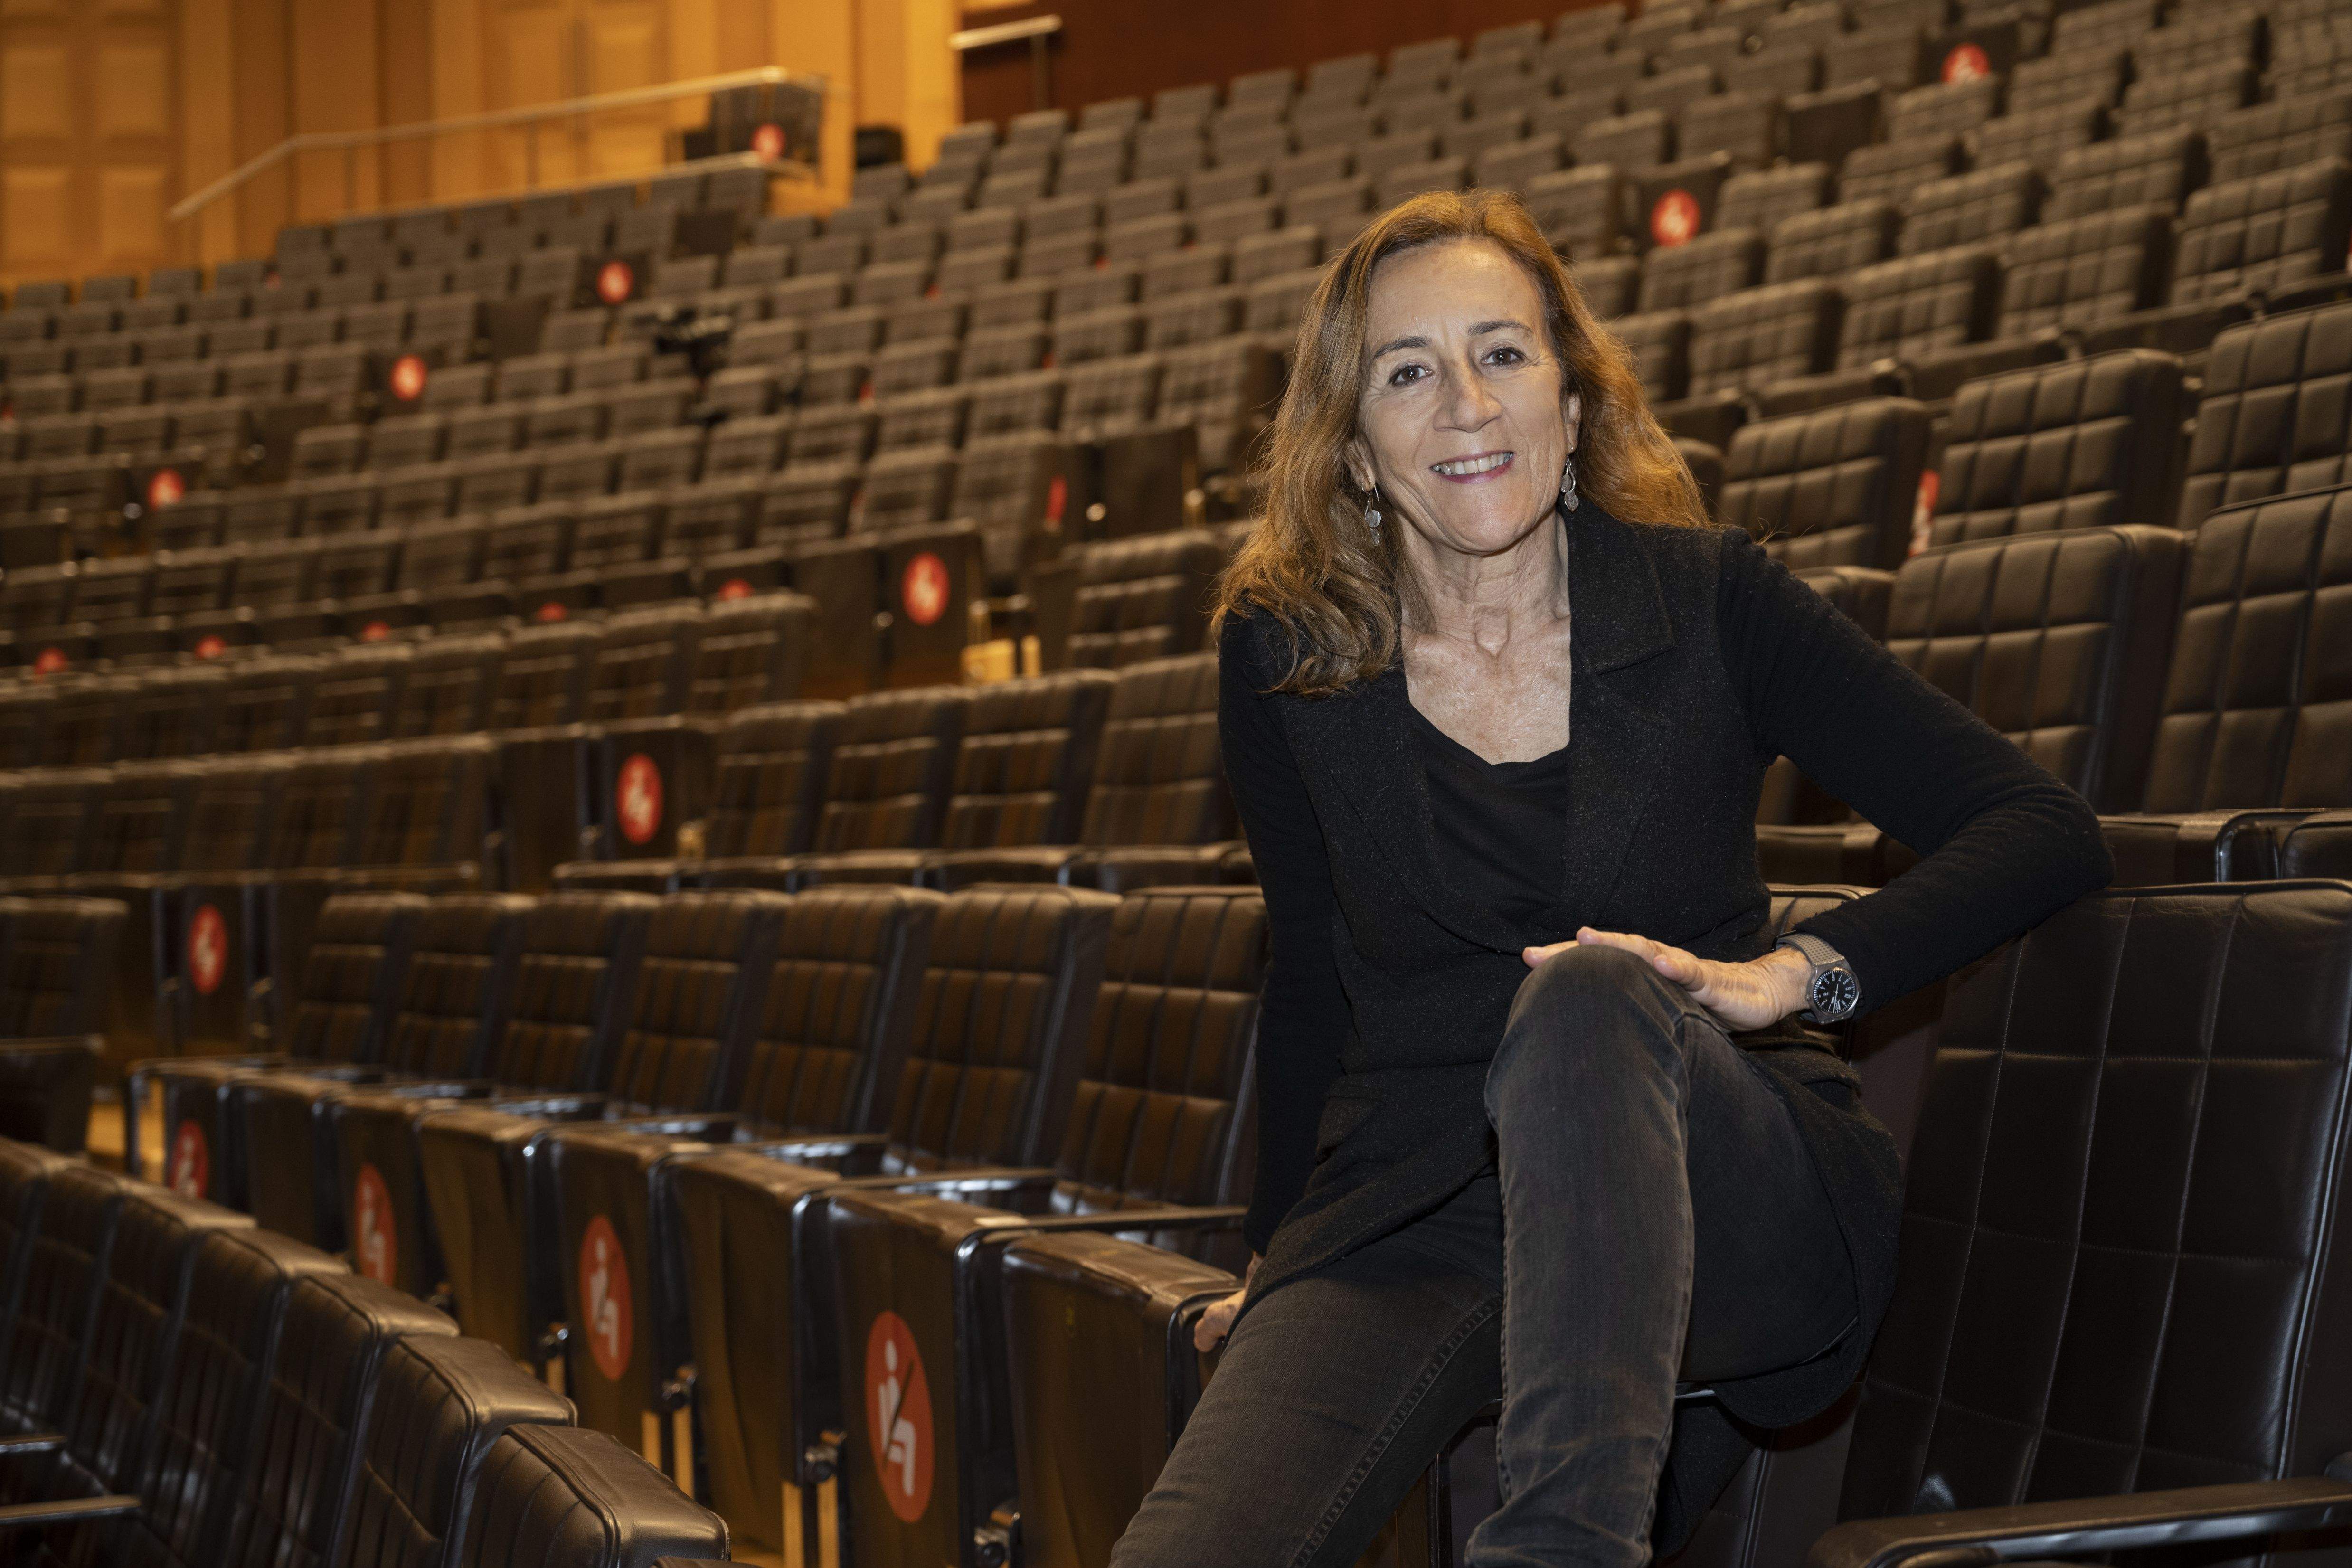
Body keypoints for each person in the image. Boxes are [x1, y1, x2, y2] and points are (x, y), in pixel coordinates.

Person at [1107, 189, 2113, 1568]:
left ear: (1572, 407)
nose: (1464, 402)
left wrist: (1791, 978)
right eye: (1407, 372)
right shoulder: (1288, 659)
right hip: (1424, 1199)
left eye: (1502, 354)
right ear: (1349, 450)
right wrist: (1273, 1251)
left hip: (1719, 1184)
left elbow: (2037, 824)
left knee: (1586, 992)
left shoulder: (1707, 598)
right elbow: (1309, 981)